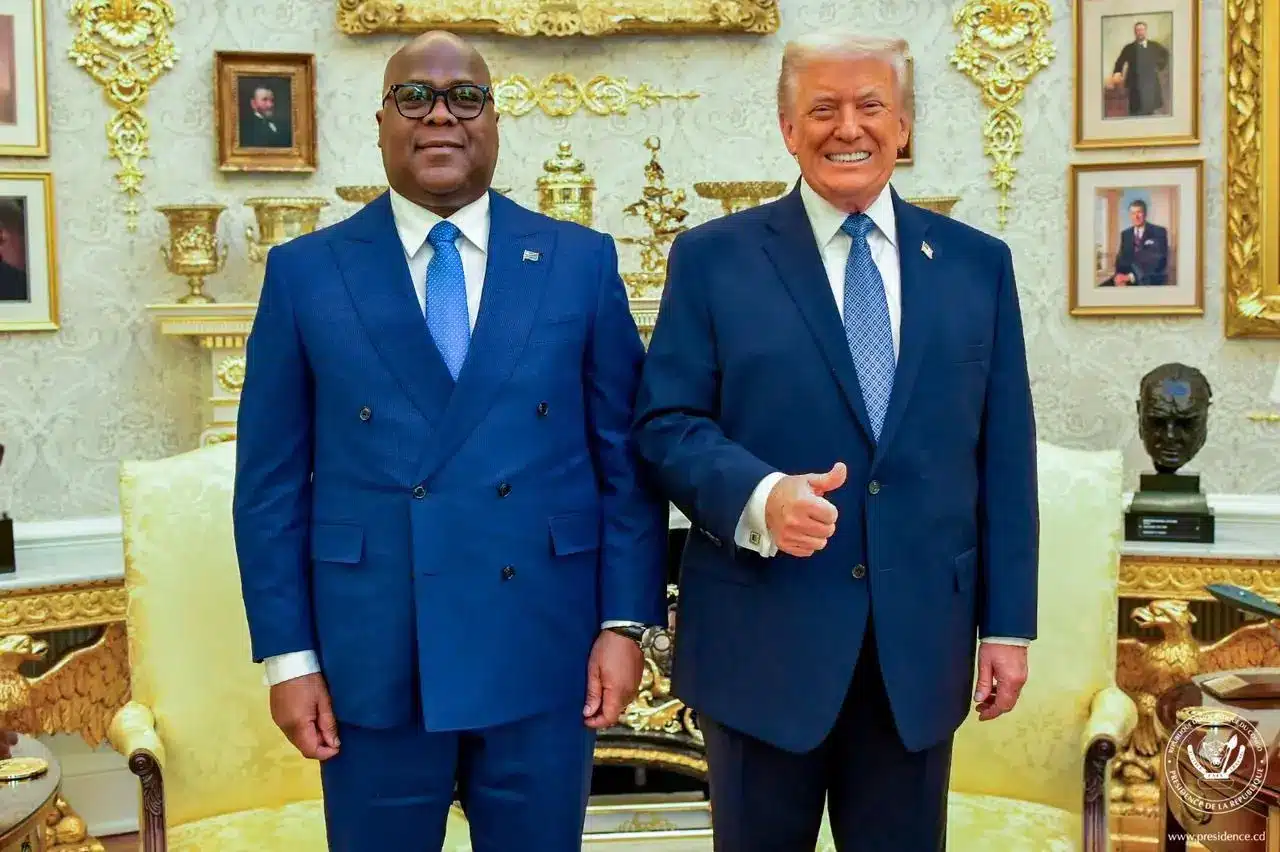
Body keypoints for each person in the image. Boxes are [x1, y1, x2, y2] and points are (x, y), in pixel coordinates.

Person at [232, 30, 667, 852]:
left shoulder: (578, 262)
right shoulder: (305, 272)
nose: (441, 115)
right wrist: (288, 659)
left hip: (544, 643)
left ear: (494, 121)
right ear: (382, 122)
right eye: (415, 97)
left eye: (465, 97)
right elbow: (269, 489)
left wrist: (624, 623)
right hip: (372, 654)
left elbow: (626, 464)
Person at [633, 32, 1039, 851]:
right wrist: (760, 497)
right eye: (822, 109)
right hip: (760, 650)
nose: (847, 127)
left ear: (903, 126)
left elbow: (1004, 458)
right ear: (789, 129)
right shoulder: (713, 260)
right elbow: (665, 425)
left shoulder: (976, 266)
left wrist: (1007, 627)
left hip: (917, 655)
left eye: (870, 107)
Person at [1103, 198, 1169, 286]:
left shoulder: (1159, 231)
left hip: (1149, 280)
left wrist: (1130, 277)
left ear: (1145, 213)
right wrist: (1118, 276)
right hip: (1127, 281)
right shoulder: (1125, 234)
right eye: (1133, 213)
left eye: (1139, 212)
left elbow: (1158, 260)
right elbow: (1121, 258)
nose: (1136, 216)